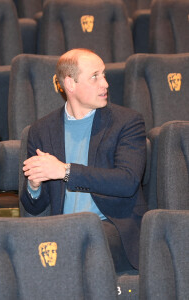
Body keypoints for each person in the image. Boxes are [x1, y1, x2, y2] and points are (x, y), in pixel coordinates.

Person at [21, 48, 148, 272]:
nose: (105, 84)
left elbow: (127, 181)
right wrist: (34, 185)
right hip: (62, 229)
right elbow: (34, 205)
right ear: (70, 84)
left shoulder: (127, 122)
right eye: (95, 76)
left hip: (112, 227)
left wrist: (65, 171)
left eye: (104, 74)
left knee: (84, 242)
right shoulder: (41, 130)